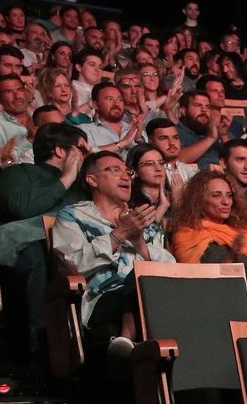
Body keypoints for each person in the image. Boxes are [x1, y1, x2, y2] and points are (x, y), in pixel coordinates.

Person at [51, 151, 172, 352]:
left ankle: (124, 344)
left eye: (128, 172)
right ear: (92, 180)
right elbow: (72, 265)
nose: (125, 177)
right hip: (101, 299)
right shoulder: (73, 216)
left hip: (152, 294)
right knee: (138, 280)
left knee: (153, 285)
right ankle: (124, 343)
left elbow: (170, 271)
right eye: (114, 170)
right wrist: (119, 234)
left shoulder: (142, 218)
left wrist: (139, 243)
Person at [168, 169, 247, 265]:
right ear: (199, 200)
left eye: (229, 195)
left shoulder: (242, 231)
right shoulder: (188, 233)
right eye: (216, 195)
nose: (226, 202)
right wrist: (233, 257)